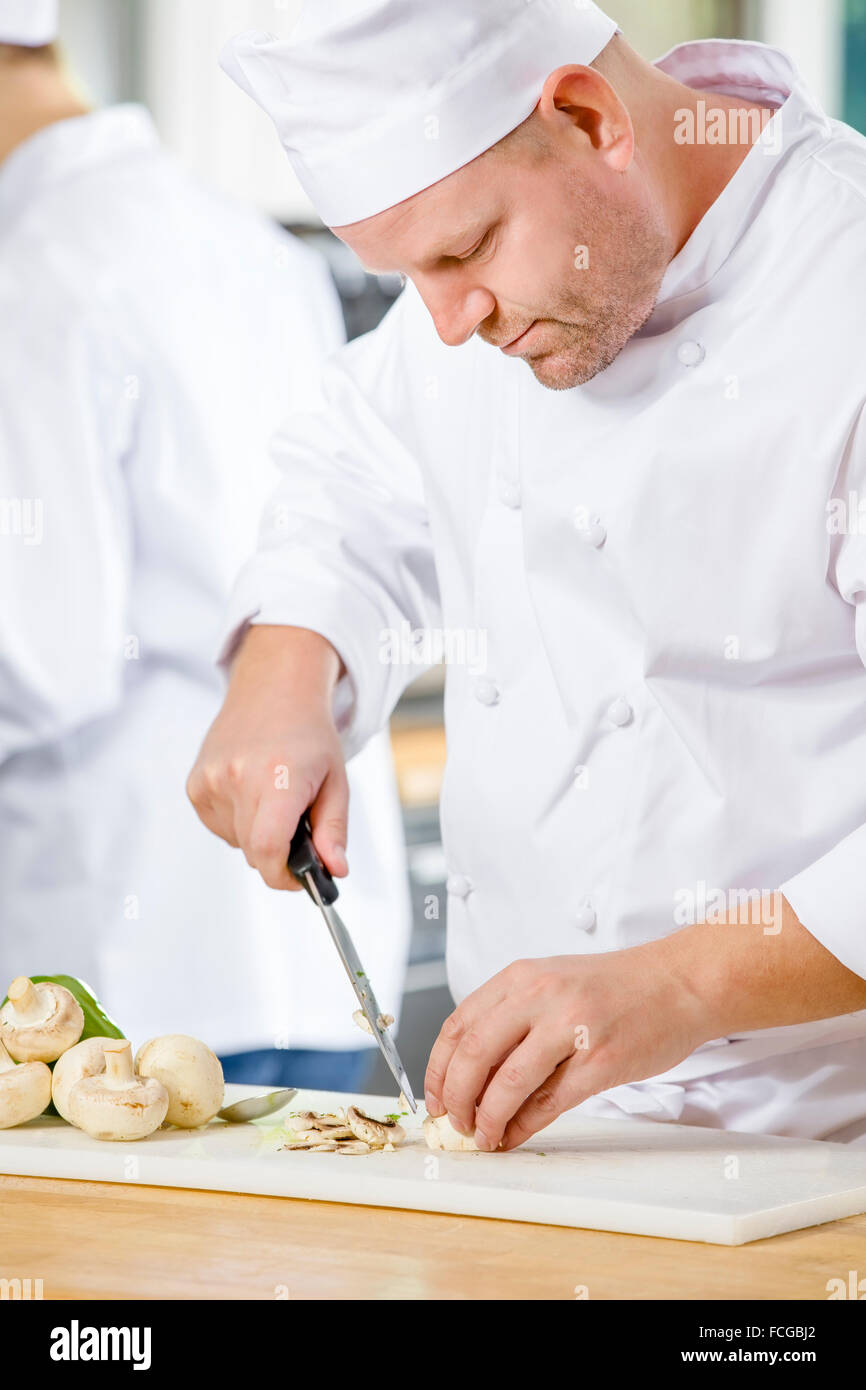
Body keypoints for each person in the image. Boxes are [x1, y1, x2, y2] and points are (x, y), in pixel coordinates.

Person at [189, 0, 866, 1148]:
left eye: (459, 252)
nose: (448, 324)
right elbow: (358, 474)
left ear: (586, 114)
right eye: (408, 278)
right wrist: (284, 667)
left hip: (818, 1162)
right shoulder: (494, 289)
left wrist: (682, 985)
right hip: (527, 1155)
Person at [0, 0, 411, 1092]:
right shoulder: (238, 236)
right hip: (306, 948)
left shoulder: (30, 267)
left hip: (122, 972)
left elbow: (41, 655)